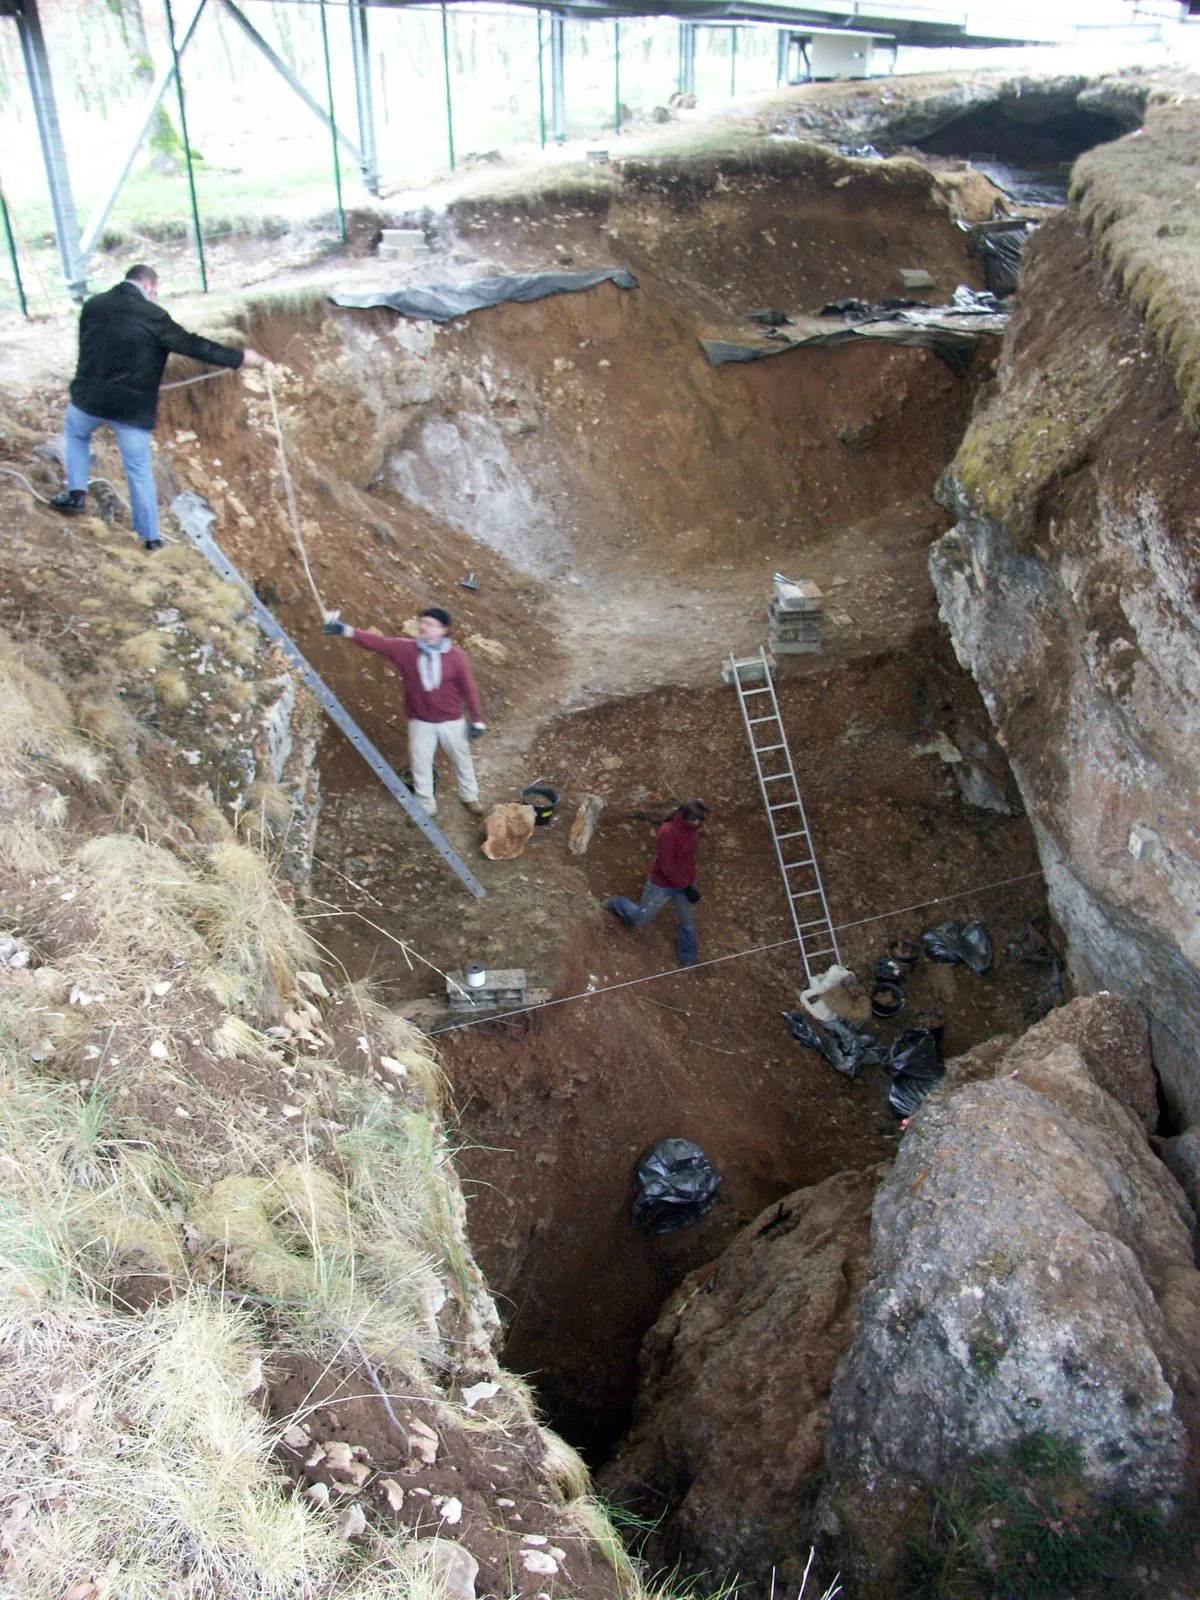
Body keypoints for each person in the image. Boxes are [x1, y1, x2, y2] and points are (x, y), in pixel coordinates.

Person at [51, 263, 267, 551]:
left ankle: (76, 494)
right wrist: (239, 358)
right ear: (149, 286)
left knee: (76, 436)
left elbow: (88, 347)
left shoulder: (94, 305)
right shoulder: (153, 317)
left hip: (88, 398)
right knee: (138, 470)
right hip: (131, 409)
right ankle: (150, 538)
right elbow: (194, 345)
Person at [324, 607, 487, 817]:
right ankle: (427, 807)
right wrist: (343, 629)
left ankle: (470, 797)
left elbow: (468, 689)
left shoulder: (455, 656)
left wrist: (477, 720)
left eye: (429, 624)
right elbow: (377, 642)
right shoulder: (406, 649)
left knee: (462, 759)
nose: (423, 626)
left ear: (443, 630)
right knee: (420, 766)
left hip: (452, 721)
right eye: (423, 622)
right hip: (421, 721)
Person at [605, 801, 708, 967]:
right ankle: (617, 903)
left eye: (700, 820)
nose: (698, 824)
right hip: (661, 884)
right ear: (684, 816)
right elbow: (666, 865)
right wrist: (686, 886)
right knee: (640, 918)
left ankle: (688, 957)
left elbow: (688, 858)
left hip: (685, 882)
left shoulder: (692, 830)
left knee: (686, 921)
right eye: (695, 820)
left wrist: (690, 882)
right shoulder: (667, 832)